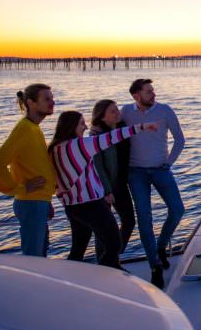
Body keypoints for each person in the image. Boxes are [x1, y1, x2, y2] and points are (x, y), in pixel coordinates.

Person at [48, 110, 157, 269]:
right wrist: (142, 126)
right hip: (91, 204)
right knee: (114, 242)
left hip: (72, 207)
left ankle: (69, 279)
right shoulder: (80, 145)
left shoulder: (54, 148)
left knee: (78, 248)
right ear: (71, 127)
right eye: (81, 123)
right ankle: (108, 273)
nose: (85, 127)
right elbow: (112, 137)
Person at [121, 78, 185, 289]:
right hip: (135, 173)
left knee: (177, 210)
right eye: (149, 92)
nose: (153, 94)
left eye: (153, 91)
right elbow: (115, 135)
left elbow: (179, 139)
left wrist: (168, 163)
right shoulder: (126, 112)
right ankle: (155, 266)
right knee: (144, 219)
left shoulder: (165, 110)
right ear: (136, 95)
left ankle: (160, 246)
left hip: (161, 169)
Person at [0, 83, 56, 257]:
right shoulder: (24, 129)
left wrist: (46, 199)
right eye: (46, 99)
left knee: (40, 254)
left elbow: (33, 165)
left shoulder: (33, 128)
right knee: (34, 257)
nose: (52, 102)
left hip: (38, 202)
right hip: (31, 203)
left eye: (52, 98)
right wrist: (20, 188)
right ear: (31, 103)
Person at [90, 99, 135, 253]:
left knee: (129, 221)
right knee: (103, 228)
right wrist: (107, 190)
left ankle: (113, 256)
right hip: (104, 188)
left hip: (121, 184)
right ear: (102, 117)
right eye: (113, 111)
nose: (118, 113)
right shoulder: (97, 135)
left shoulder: (122, 128)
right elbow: (98, 165)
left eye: (117, 109)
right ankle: (104, 263)